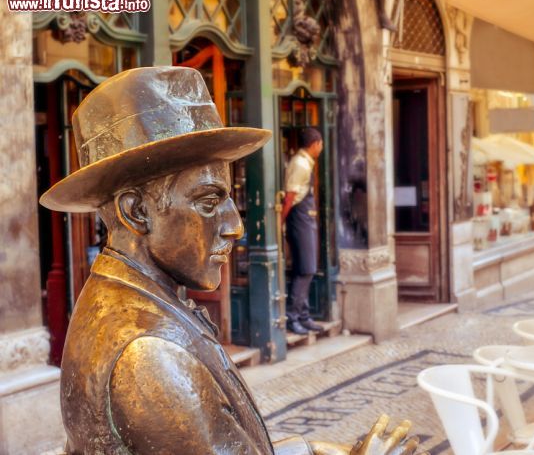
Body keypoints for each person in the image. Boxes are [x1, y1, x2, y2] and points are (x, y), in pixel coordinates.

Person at [39, 67, 420, 455]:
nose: (235, 226)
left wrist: (317, 449)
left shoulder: (127, 297)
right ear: (137, 212)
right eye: (209, 201)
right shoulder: (150, 358)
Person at [281, 128, 324, 335]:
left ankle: (303, 315)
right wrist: (281, 219)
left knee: (305, 267)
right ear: (315, 144)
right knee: (306, 268)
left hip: (305, 218)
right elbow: (290, 196)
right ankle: (293, 316)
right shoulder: (300, 164)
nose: (321, 148)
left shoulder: (305, 162)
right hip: (299, 218)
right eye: (321, 144)